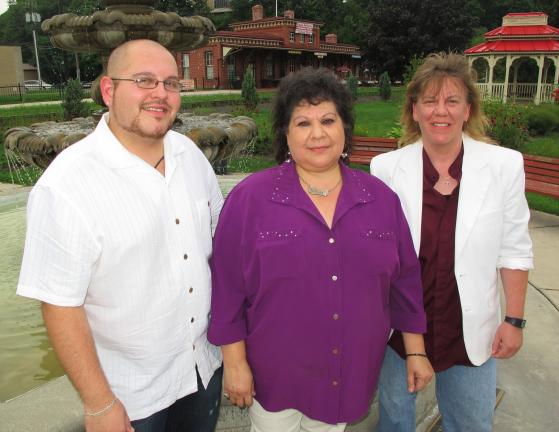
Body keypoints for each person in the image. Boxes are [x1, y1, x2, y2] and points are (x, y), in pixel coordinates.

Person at [207, 68, 433, 432]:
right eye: (302, 123)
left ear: (344, 128)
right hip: (274, 373)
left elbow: (405, 282)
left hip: (347, 372)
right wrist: (234, 363)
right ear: (285, 133)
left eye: (328, 120)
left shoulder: (380, 200)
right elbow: (227, 288)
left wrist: (417, 351)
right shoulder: (251, 199)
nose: (317, 134)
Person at [17, 39, 224, 432]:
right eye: (144, 81)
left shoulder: (191, 156)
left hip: (202, 369)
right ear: (109, 91)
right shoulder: (66, 185)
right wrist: (98, 403)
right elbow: (60, 305)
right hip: (131, 393)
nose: (160, 94)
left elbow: (218, 251)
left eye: (171, 83)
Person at [370, 52, 534, 432]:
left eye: (451, 100)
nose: (439, 111)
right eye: (429, 101)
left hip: (470, 332)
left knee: (472, 424)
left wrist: (513, 320)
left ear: (467, 109)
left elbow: (514, 248)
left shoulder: (504, 166)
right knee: (395, 421)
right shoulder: (386, 170)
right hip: (400, 330)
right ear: (414, 110)